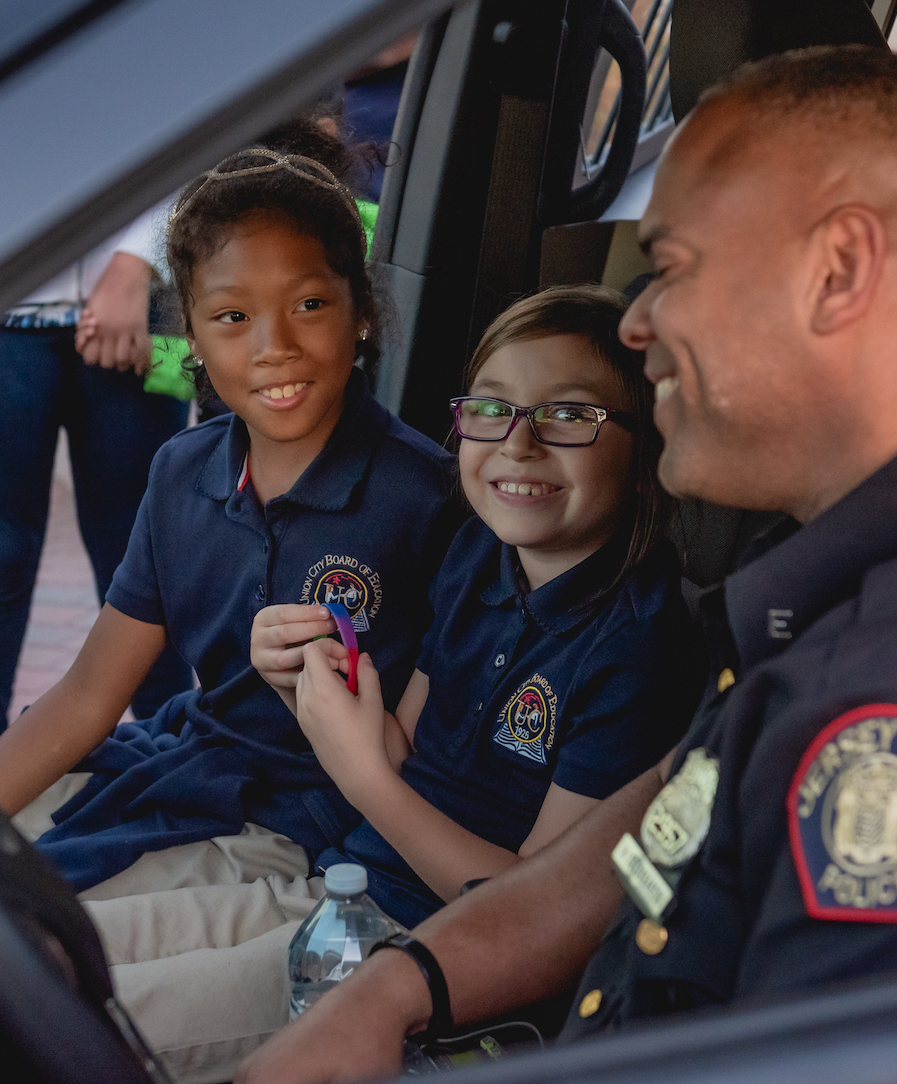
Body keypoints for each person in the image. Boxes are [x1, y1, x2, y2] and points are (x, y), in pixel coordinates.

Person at [241, 45, 897, 1083]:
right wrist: (397, 986)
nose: (640, 321)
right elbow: (644, 833)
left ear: (837, 270)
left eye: (676, 267)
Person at [83, 286, 703, 1081]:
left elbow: (532, 914)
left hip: (424, 958)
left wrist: (364, 778)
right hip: (336, 886)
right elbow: (400, 744)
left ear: (642, 444)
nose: (519, 445)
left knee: (97, 1022)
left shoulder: (638, 647)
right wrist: (303, 686)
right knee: (59, 955)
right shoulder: (478, 554)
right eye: (492, 409)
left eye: (570, 417)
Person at [0, 133, 457, 904]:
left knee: (20, 930)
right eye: (232, 317)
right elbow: (90, 695)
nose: (274, 348)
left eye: (309, 305)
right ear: (189, 336)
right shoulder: (180, 473)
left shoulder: (425, 496)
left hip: (302, 831)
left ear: (361, 311)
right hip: (190, 767)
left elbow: (437, 749)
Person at [0, 200, 192, 770]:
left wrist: (140, 260)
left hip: (144, 303)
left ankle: (183, 771)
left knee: (145, 560)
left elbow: (195, 128)